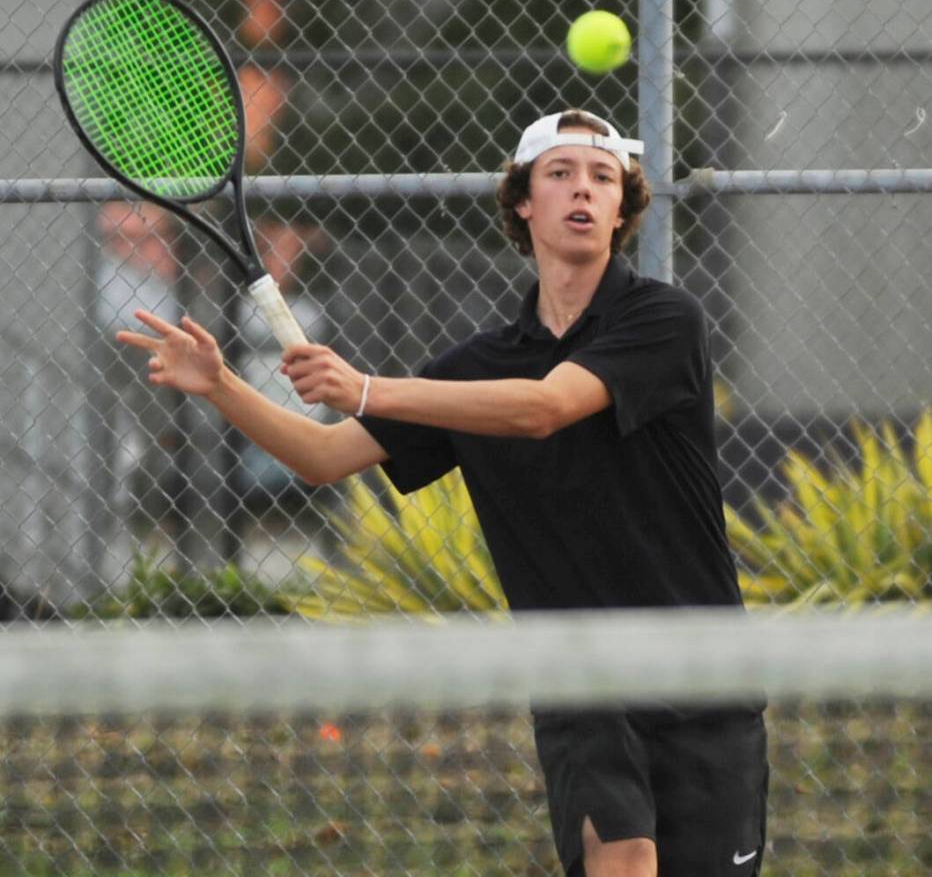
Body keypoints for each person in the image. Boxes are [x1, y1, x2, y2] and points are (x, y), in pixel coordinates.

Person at [116, 108, 769, 877]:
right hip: (578, 675)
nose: (582, 191)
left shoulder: (663, 320)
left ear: (623, 208)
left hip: (702, 670)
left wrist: (367, 387)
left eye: (602, 178)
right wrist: (223, 385)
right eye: (559, 174)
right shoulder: (475, 366)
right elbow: (325, 455)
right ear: (524, 202)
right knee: (619, 862)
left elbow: (544, 407)